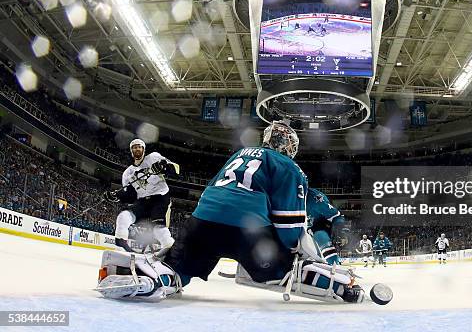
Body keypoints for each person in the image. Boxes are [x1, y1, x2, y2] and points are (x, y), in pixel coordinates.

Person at [96, 122, 368, 303]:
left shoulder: (239, 154)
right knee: (288, 268)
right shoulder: (289, 166)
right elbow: (289, 226)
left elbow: (211, 192)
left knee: (180, 267)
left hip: (202, 223)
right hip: (248, 233)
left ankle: (153, 278)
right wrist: (293, 252)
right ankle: (343, 287)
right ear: (288, 146)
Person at [105, 139, 178, 256]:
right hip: (143, 201)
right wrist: (116, 196)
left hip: (160, 197)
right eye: (134, 147)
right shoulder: (127, 173)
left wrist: (163, 168)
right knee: (123, 217)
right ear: (131, 151)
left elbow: (176, 169)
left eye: (139, 147)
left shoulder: (154, 157)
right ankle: (121, 250)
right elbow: (130, 195)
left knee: (158, 228)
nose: (137, 149)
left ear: (143, 149)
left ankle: (171, 252)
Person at [306, 187, 345, 265]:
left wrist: (340, 233)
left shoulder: (315, 198)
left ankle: (333, 264)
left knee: (321, 236)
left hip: (316, 228)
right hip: (297, 230)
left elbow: (336, 216)